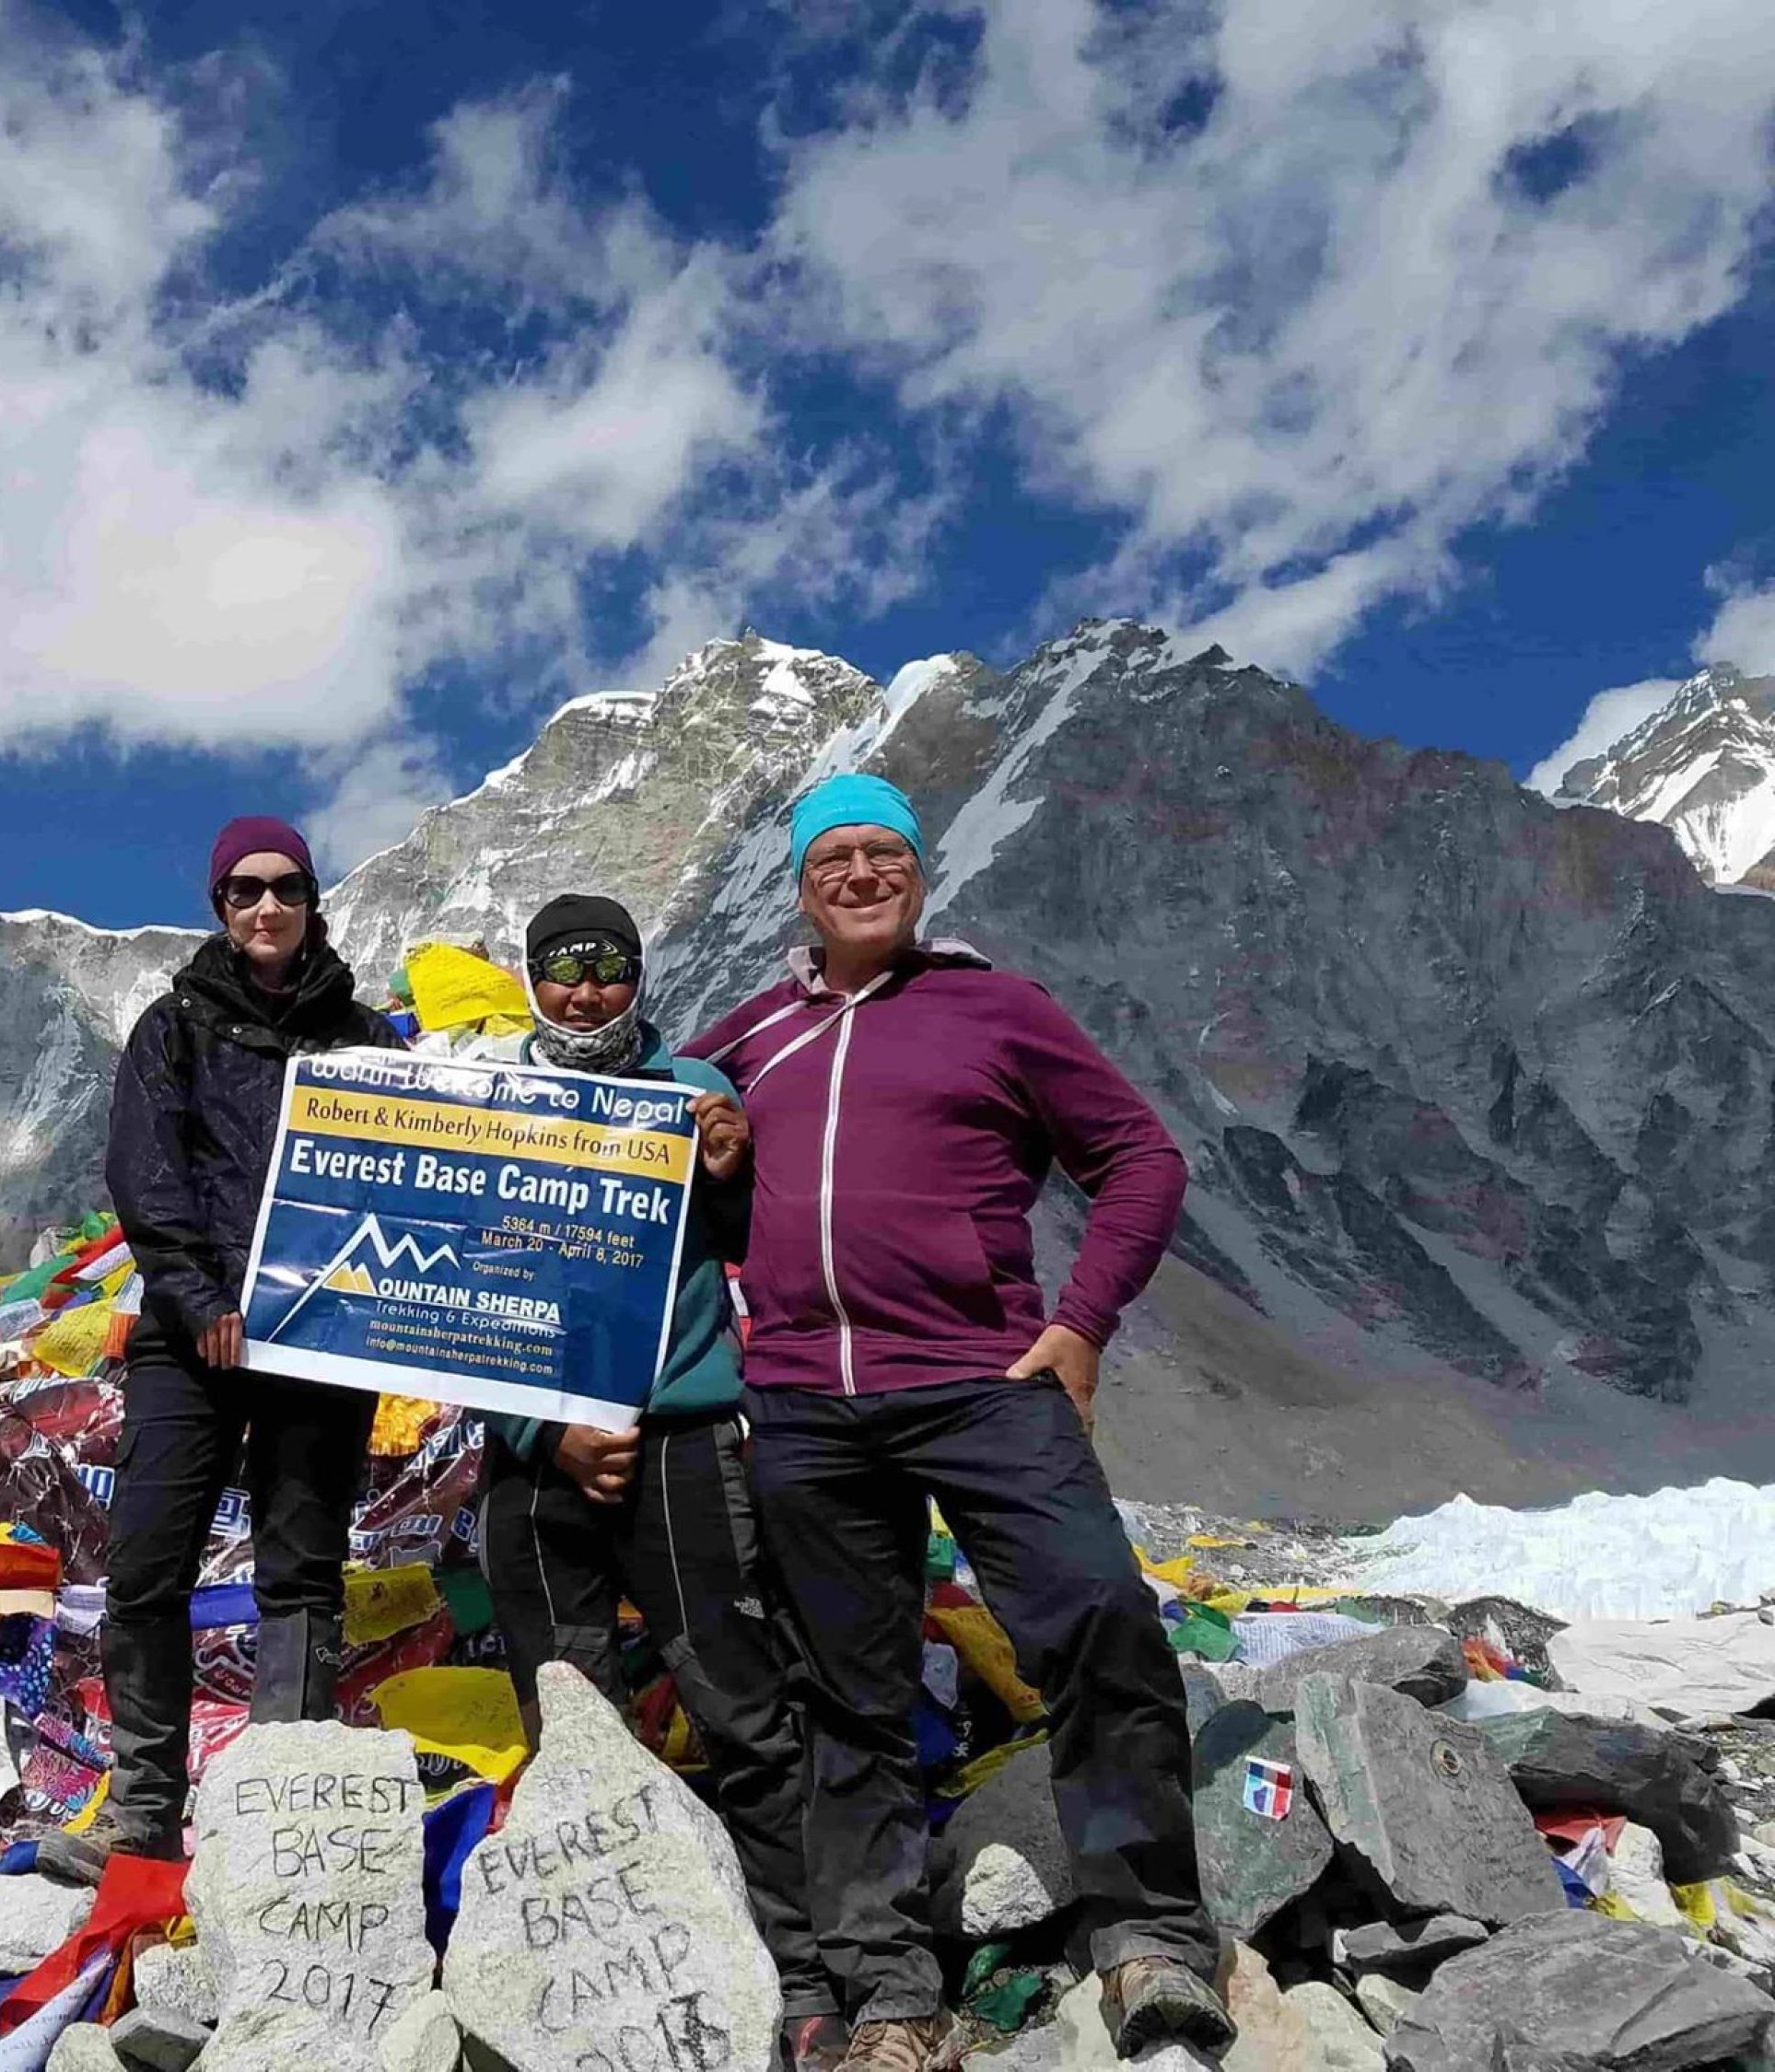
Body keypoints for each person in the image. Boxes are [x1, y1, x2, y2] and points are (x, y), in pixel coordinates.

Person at [690, 774, 1230, 2070]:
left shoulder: (997, 1006)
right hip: (809, 1404)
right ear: (801, 885)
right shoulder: (747, 1037)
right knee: (850, 1690)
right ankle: (890, 1992)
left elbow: (1141, 1159)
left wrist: (1084, 1323)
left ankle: (1148, 1933)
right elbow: (685, 1222)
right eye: (838, 857)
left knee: (1097, 1616)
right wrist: (709, 1171)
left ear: (922, 876)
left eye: (888, 854)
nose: (863, 874)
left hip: (987, 1379)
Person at [475, 894, 844, 2068]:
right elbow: (441, 1304)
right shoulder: (482, 1105)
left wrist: (730, 1165)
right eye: (564, 973)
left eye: (610, 972)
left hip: (682, 1434)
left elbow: (751, 1240)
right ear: (531, 978)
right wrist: (549, 1429)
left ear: (639, 976)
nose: (588, 995)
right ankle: (606, 1995)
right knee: (569, 1721)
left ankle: (803, 1974)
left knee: (741, 1706)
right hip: (533, 1458)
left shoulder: (697, 1089)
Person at [100, 816, 408, 1859]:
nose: (266, 906)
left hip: (321, 1344)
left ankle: (284, 1806)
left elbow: (406, 1191)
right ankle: (145, 1812)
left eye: (285, 887)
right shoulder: (172, 1027)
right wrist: (200, 1306)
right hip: (191, 1343)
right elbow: (147, 1179)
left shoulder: (369, 1043)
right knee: (146, 1564)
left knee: (303, 1567)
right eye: (244, 890)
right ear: (220, 909)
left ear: (314, 900)